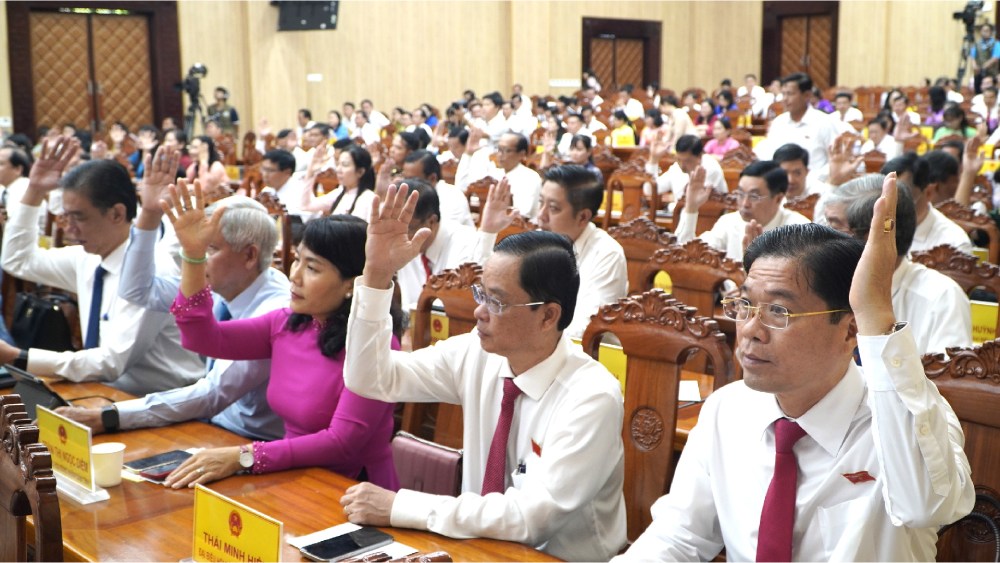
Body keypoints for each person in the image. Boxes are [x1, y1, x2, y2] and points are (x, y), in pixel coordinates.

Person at [618, 175, 975, 560]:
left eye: (779, 311)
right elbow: (679, 537)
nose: (750, 331)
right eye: (745, 305)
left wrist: (876, 316)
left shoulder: (905, 422)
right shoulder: (727, 410)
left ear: (850, 329)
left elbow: (926, 507)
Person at [340, 184, 627, 561]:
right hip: (475, 548)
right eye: (482, 294)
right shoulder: (476, 353)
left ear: (548, 316)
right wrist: (377, 276)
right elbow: (370, 378)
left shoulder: (591, 396)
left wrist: (402, 506)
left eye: (497, 302)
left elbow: (532, 518)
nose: (479, 312)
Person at [156, 180, 401, 490]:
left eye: (312, 268)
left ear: (350, 285)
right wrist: (194, 257)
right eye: (297, 259)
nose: (294, 276)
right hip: (289, 475)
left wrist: (244, 457)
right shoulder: (289, 323)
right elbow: (202, 339)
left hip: (352, 490)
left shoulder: (375, 345)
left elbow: (341, 443)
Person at [57, 147, 289, 440]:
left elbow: (212, 394)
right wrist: (150, 214)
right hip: (209, 421)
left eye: (209, 248)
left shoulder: (274, 308)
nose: (196, 257)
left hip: (249, 440)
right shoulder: (225, 282)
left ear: (250, 255)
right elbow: (138, 291)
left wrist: (111, 416)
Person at [0, 137, 204, 395]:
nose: (69, 229)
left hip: (162, 401)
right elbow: (17, 260)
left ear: (117, 214)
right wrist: (35, 190)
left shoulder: (152, 270)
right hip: (101, 391)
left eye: (79, 218)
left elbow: (111, 362)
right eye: (66, 217)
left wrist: (18, 357)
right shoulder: (88, 257)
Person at [822, 174, 972, 355]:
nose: (822, 239)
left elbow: (950, 373)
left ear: (877, 237)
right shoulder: (820, 283)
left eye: (834, 228)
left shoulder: (941, 298)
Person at [481, 166, 627, 340]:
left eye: (553, 208)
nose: (541, 216)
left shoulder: (607, 254)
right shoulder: (538, 241)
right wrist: (488, 231)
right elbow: (485, 291)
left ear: (582, 217)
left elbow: (586, 329)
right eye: (541, 203)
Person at [675, 160, 810, 261]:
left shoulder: (799, 231)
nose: (745, 204)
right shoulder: (729, 222)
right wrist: (691, 208)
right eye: (740, 194)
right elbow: (687, 255)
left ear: (778, 198)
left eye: (754, 196)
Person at [756, 73, 838, 174]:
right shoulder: (779, 122)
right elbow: (769, 154)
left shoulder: (824, 122)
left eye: (790, 94)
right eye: (783, 94)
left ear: (807, 95)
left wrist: (815, 179)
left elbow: (835, 160)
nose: (785, 99)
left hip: (814, 181)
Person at [300, 145, 377, 221]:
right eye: (338, 164)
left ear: (360, 172)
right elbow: (306, 206)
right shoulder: (340, 192)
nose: (338, 170)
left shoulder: (368, 198)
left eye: (345, 165)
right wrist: (311, 171)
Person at [646, 134, 727, 205]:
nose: (682, 165)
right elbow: (649, 190)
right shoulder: (676, 168)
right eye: (678, 160)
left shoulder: (711, 168)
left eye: (687, 161)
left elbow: (695, 203)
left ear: (699, 156)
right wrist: (653, 159)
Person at [401, 150, 473, 227]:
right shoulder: (408, 194)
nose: (407, 184)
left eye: (412, 179)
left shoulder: (453, 196)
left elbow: (438, 229)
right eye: (405, 178)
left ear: (432, 178)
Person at [185, 135, 229, 201]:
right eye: (191, 147)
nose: (191, 151)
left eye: (195, 148)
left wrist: (204, 162)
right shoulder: (194, 165)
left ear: (207, 150)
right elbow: (184, 186)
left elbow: (203, 190)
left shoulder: (216, 166)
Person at [972, 23, 1000, 91]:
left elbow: (995, 58)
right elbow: (973, 56)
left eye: (987, 30)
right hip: (978, 74)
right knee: (978, 91)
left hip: (991, 74)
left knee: (991, 91)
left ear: (991, 32)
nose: (985, 32)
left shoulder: (996, 43)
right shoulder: (976, 44)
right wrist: (974, 66)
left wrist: (983, 67)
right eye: (983, 30)